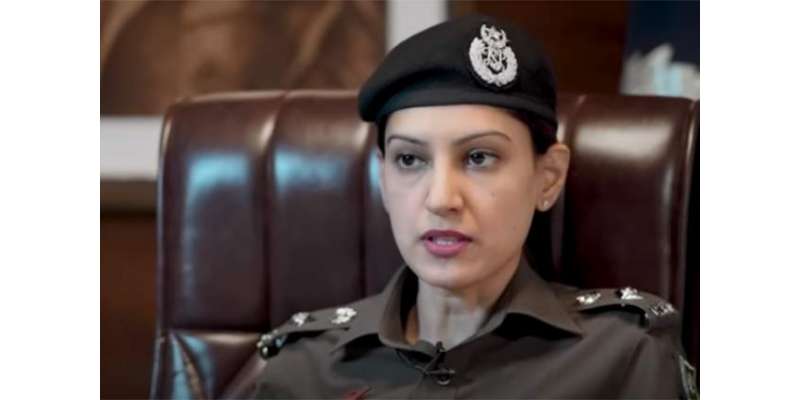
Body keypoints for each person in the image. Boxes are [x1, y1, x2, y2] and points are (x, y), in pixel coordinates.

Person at [248, 14, 697, 399]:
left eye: (479, 157)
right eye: (410, 160)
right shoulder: (303, 370)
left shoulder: (623, 358)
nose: (441, 199)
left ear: (548, 177)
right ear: (382, 177)